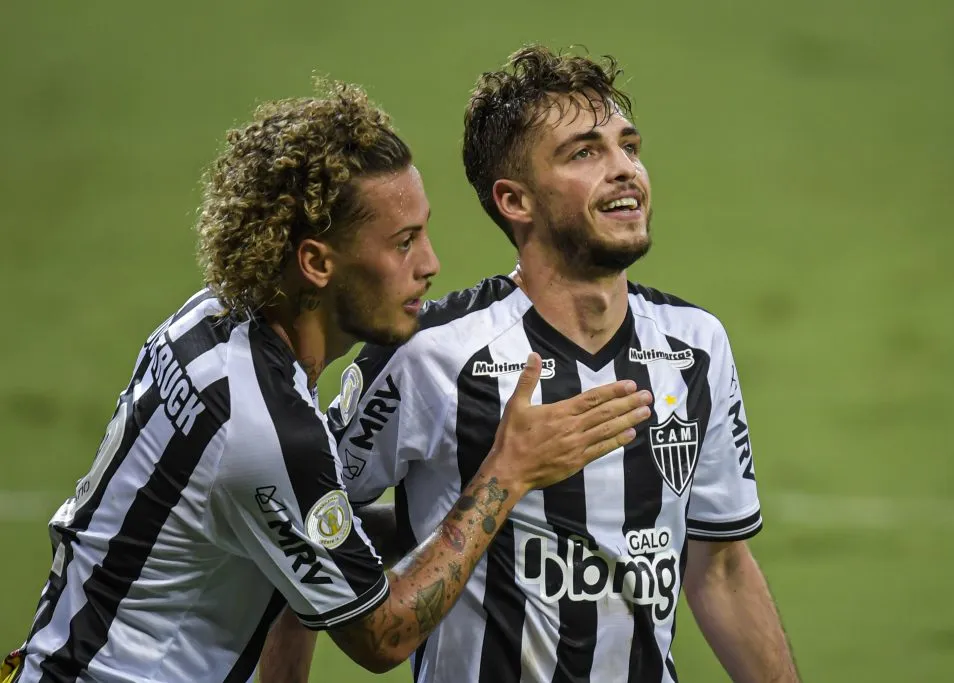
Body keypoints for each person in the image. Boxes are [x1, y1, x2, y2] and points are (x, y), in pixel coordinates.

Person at [5, 80, 653, 683]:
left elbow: (299, 518)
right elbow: (381, 633)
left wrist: (452, 500)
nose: (430, 265)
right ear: (316, 262)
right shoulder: (266, 429)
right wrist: (506, 475)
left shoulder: (209, 318)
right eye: (402, 243)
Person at [264, 47, 801, 683]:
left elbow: (720, 567)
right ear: (515, 200)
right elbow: (300, 537)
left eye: (627, 146)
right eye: (584, 153)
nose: (624, 169)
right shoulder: (430, 354)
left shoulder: (696, 346)